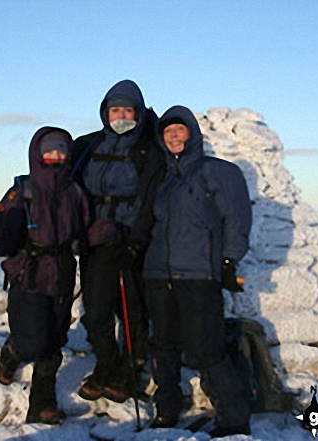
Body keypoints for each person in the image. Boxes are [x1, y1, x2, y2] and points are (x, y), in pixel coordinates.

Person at [138, 105, 253, 437]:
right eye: (168, 132)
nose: (173, 136)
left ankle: (234, 418)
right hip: (159, 274)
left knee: (206, 348)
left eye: (180, 130)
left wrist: (230, 260)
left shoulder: (216, 171)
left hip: (199, 275)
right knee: (163, 345)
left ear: (192, 134)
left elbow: (237, 217)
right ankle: (166, 411)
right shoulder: (161, 179)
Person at [0, 127, 89, 425]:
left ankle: (42, 405)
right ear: (37, 155)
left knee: (54, 342)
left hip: (63, 273)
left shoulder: (74, 192)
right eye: (49, 151)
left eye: (61, 151)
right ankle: (13, 352)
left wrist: (103, 234)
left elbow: (82, 233)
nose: (55, 156)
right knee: (33, 343)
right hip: (30, 273)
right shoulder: (22, 192)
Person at [71, 79, 164, 403]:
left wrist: (136, 242)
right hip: (96, 242)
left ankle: (130, 370)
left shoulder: (148, 150)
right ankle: (106, 365)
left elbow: (152, 198)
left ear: (138, 113)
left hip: (130, 243)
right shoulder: (89, 146)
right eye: (115, 110)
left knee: (133, 314)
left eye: (128, 110)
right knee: (96, 313)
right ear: (104, 113)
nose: (121, 115)